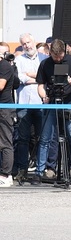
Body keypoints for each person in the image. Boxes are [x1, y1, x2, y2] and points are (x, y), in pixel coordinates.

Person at [34, 39, 71, 184]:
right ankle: (39, 171)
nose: (58, 59)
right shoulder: (45, 64)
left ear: (64, 51)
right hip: (51, 103)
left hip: (70, 102)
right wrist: (44, 96)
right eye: (55, 56)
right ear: (50, 52)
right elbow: (40, 84)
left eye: (60, 56)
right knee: (44, 139)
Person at [12, 34, 46, 179]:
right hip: (24, 103)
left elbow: (46, 78)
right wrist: (38, 79)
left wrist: (32, 76)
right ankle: (22, 169)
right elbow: (21, 78)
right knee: (23, 138)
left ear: (34, 42)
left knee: (42, 138)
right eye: (24, 44)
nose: (27, 46)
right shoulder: (19, 60)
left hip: (41, 103)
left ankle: (40, 169)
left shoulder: (44, 58)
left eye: (29, 42)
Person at [0, 50, 19, 187]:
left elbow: (1, 85)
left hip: (5, 109)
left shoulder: (4, 66)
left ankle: (6, 175)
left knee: (6, 142)